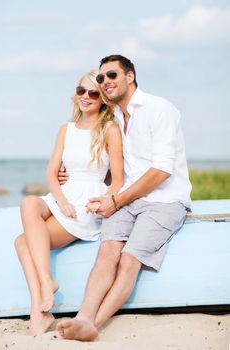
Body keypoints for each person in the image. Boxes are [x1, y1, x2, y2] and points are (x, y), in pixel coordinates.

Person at [56, 54, 192, 341]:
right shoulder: (113, 117)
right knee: (106, 253)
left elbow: (161, 171)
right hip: (129, 199)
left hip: (165, 200)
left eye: (112, 75)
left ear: (129, 77)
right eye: (102, 77)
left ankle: (93, 324)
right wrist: (69, 177)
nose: (105, 82)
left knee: (128, 260)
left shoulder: (159, 108)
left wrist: (116, 201)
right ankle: (84, 317)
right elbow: (115, 171)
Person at [14, 69, 124, 336]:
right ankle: (46, 281)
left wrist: (105, 200)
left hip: (86, 202)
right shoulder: (66, 129)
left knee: (21, 242)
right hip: (63, 196)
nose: (85, 97)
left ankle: (38, 312)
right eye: (81, 91)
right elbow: (51, 174)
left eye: (93, 93)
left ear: (102, 99)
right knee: (29, 202)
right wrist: (61, 201)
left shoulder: (109, 129)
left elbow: (118, 180)